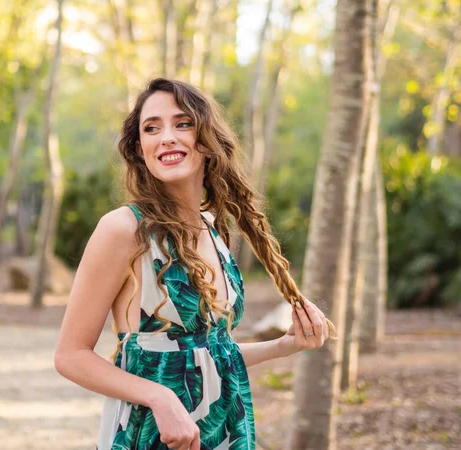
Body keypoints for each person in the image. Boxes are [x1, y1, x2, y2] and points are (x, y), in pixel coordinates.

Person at [54, 78, 336, 450]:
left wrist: (284, 346)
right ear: (141, 149)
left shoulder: (211, 228)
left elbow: (208, 355)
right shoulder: (124, 228)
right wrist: (160, 397)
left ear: (206, 141)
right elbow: (70, 356)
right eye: (152, 128)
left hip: (224, 431)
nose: (166, 137)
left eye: (182, 123)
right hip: (155, 436)